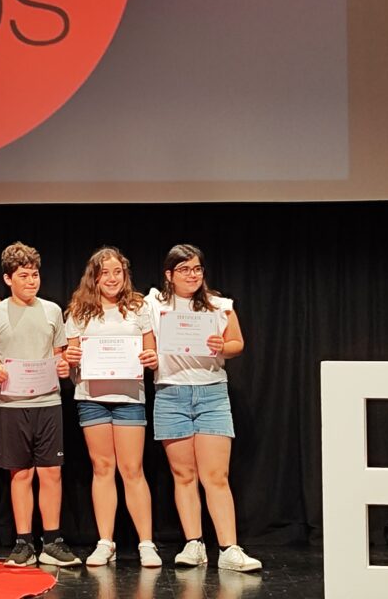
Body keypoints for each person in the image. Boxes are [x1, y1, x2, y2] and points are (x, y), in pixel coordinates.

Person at [145, 244, 261, 572]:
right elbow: (146, 344)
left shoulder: (219, 305)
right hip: (170, 393)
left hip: (211, 394)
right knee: (184, 475)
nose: (192, 275)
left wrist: (223, 346)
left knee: (216, 476)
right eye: (184, 269)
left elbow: (237, 343)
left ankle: (229, 549)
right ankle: (193, 544)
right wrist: (150, 357)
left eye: (197, 269)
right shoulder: (153, 304)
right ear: (169, 274)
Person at [0, 242, 80, 568]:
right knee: (20, 474)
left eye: (35, 275)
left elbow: (60, 355)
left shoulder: (52, 311)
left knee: (51, 472)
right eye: (23, 276)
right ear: (8, 279)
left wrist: (63, 365)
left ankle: (52, 541)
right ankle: (23, 542)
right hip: (11, 404)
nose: (31, 281)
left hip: (48, 402)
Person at [64, 247, 161, 568]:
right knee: (102, 468)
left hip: (129, 398)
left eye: (117, 271)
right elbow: (70, 356)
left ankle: (146, 543)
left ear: (125, 274)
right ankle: (106, 542)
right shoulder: (78, 311)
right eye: (104, 272)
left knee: (132, 469)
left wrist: (150, 358)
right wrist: (71, 357)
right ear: (94, 277)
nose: (111, 278)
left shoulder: (138, 308)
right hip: (91, 399)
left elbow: (151, 353)